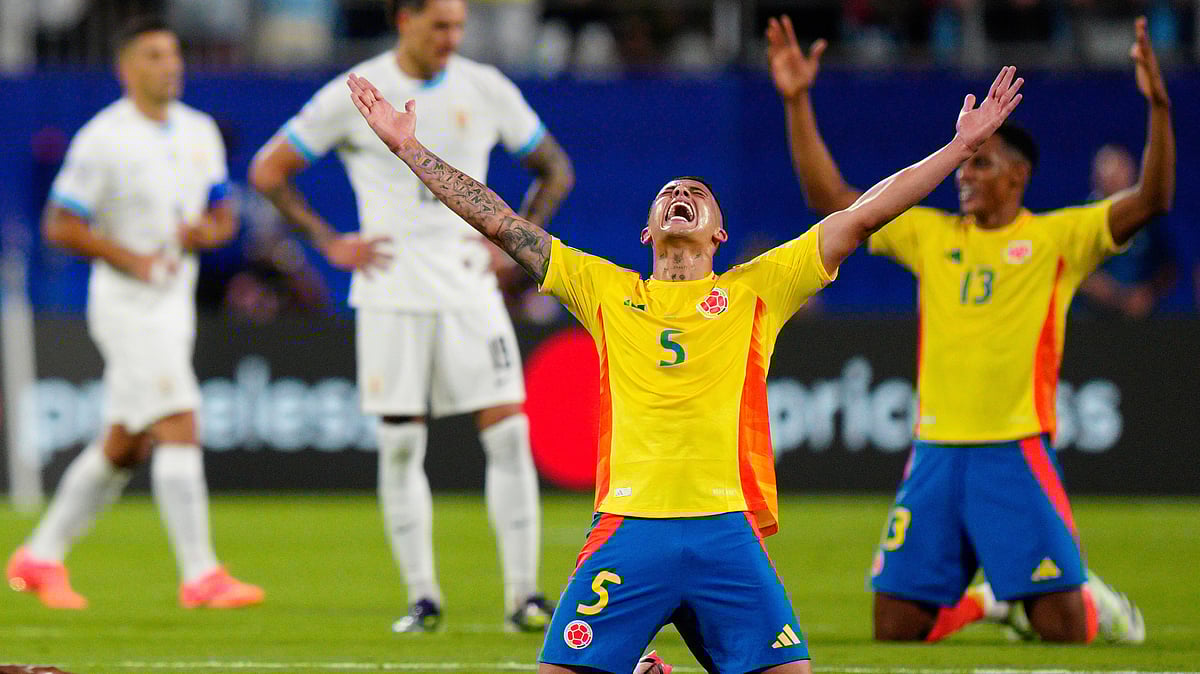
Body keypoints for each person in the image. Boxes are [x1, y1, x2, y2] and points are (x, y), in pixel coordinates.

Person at [344, 56, 1023, 672]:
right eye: (668, 192)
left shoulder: (760, 289)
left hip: (726, 532)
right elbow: (498, 220)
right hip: (628, 530)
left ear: (718, 233)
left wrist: (960, 147)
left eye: (696, 193)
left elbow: (866, 211)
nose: (681, 194)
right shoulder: (606, 289)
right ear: (647, 231)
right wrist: (409, 149)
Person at [768, 13, 1173, 644]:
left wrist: (1159, 107)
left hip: (1016, 448)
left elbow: (1151, 201)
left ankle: (1097, 601)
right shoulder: (930, 235)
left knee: (1067, 631)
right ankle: (989, 603)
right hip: (935, 449)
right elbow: (830, 199)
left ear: (1019, 176)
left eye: (981, 165)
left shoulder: (1058, 238)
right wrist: (796, 100)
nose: (965, 175)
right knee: (895, 628)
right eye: (964, 166)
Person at [248, 0, 575, 632]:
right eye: (439, 26)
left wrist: (516, 245)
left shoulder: (485, 86)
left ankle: (524, 596)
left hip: (469, 290)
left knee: (508, 435)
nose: (452, 37)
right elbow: (269, 169)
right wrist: (328, 242)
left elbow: (554, 166)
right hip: (390, 290)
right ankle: (422, 597)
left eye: (458, 26)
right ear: (405, 20)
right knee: (401, 447)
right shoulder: (359, 91)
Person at [6, 16, 263, 610]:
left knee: (124, 445)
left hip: (174, 303)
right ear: (127, 69)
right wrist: (131, 258)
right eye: (153, 55)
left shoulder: (200, 131)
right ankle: (201, 575)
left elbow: (223, 214)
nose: (170, 65)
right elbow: (59, 224)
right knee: (179, 419)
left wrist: (206, 232)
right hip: (126, 304)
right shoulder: (103, 139)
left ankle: (39, 557)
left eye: (173, 54)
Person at [1077, 144, 1182, 318]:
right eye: (1108, 174)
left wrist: (1148, 293)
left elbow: (1169, 267)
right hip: (1091, 321)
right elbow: (1069, 267)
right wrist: (1113, 296)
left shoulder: (1149, 219)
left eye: (1120, 171)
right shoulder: (1080, 220)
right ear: (1095, 177)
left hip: (1140, 321)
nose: (1115, 180)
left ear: (1132, 173)